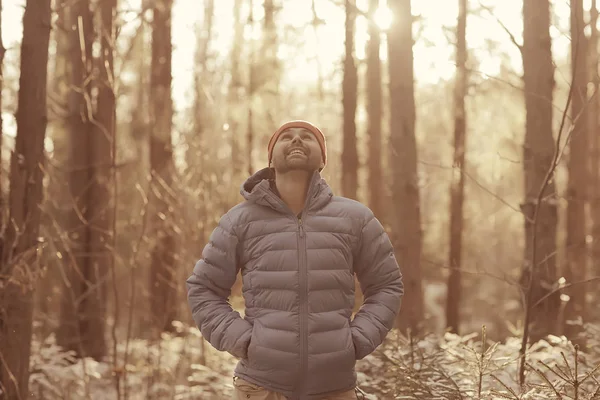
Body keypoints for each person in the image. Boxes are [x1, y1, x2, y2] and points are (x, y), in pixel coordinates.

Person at [186, 120, 404, 400]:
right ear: (271, 158)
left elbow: (387, 285)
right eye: (286, 137)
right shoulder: (240, 220)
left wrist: (357, 340)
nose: (297, 140)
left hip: (334, 387)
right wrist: (245, 341)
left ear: (323, 159)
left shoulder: (356, 219)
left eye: (307, 137)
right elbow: (203, 288)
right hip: (261, 387)